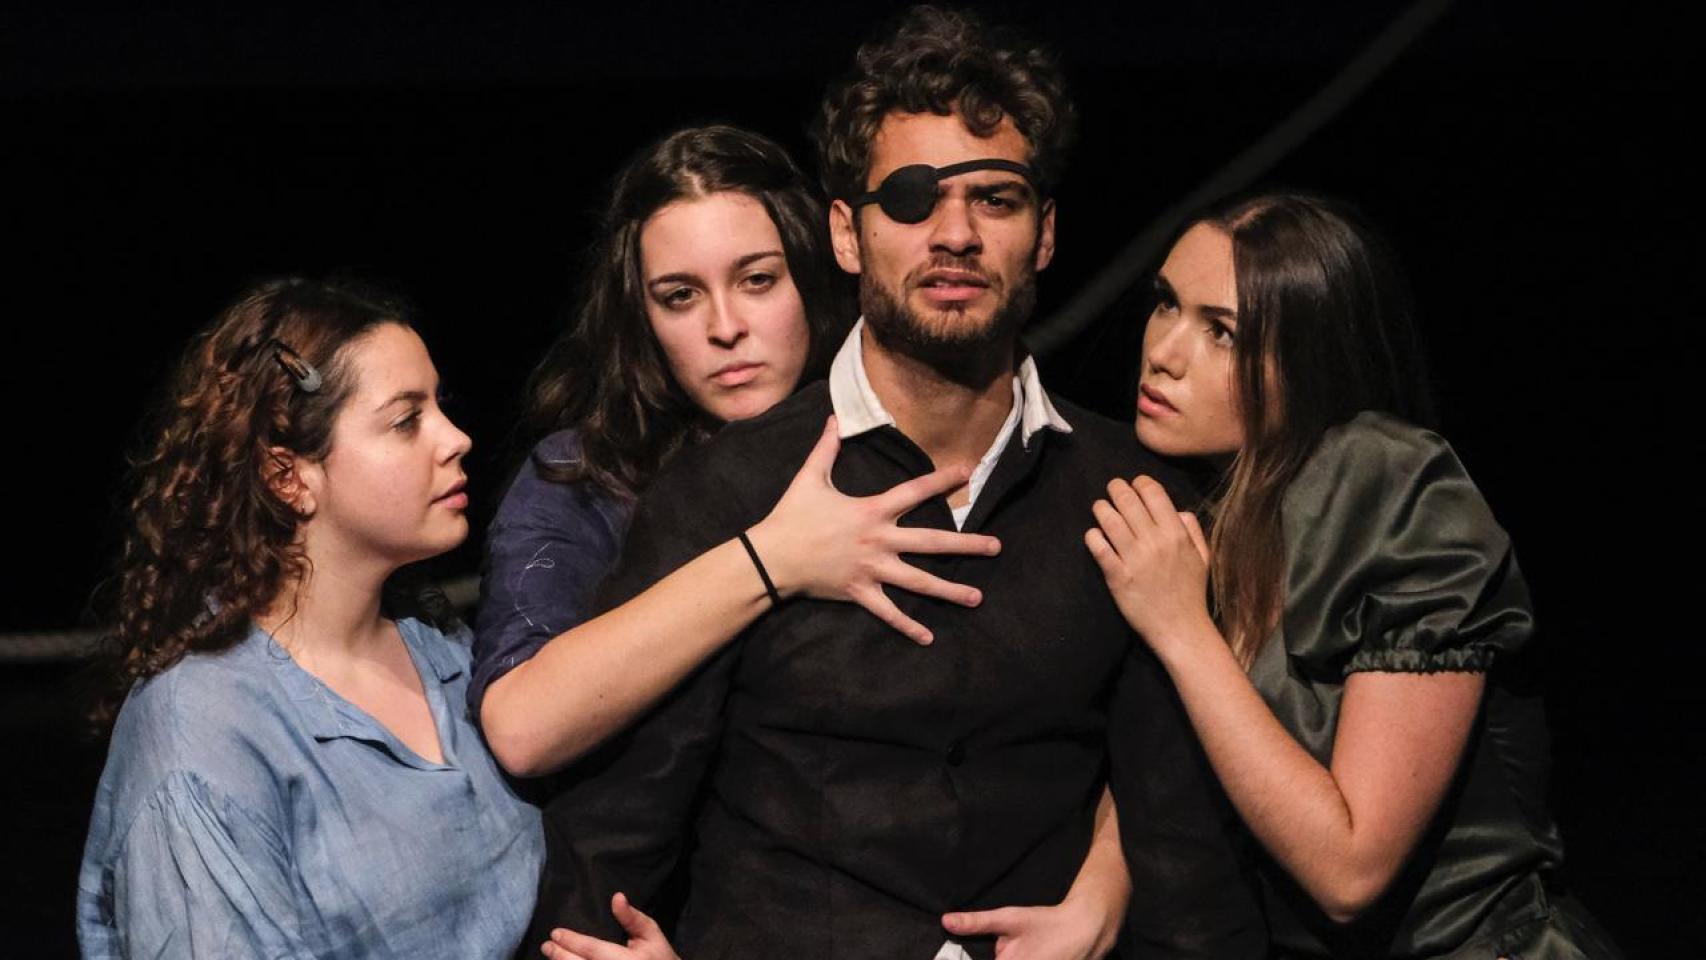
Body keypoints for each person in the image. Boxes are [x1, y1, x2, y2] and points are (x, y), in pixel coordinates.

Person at [528, 9, 1265, 960]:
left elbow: (1179, 828)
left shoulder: (1129, 495)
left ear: (1044, 234)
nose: (955, 234)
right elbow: (617, 826)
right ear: (846, 233)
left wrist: (1111, 895)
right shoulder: (729, 490)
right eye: (912, 201)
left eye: (996, 199)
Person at [476, 123, 1136, 957]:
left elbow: (1087, 727)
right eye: (679, 296)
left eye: (758, 281)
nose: (726, 327)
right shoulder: (585, 479)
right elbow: (527, 729)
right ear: (640, 316)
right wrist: (774, 558)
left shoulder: (904, 433)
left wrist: (1108, 879)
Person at [1086, 192, 1621, 957]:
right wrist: (1095, 894)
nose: (1165, 352)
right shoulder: (1189, 499)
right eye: (1166, 303)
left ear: (1310, 361)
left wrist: (1182, 631)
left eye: (1223, 332)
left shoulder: (1388, 486)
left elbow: (1350, 870)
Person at [76, 279, 544, 958]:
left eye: (440, 407)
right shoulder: (204, 734)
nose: (457, 438)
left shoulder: (440, 644)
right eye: (406, 421)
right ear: (288, 476)